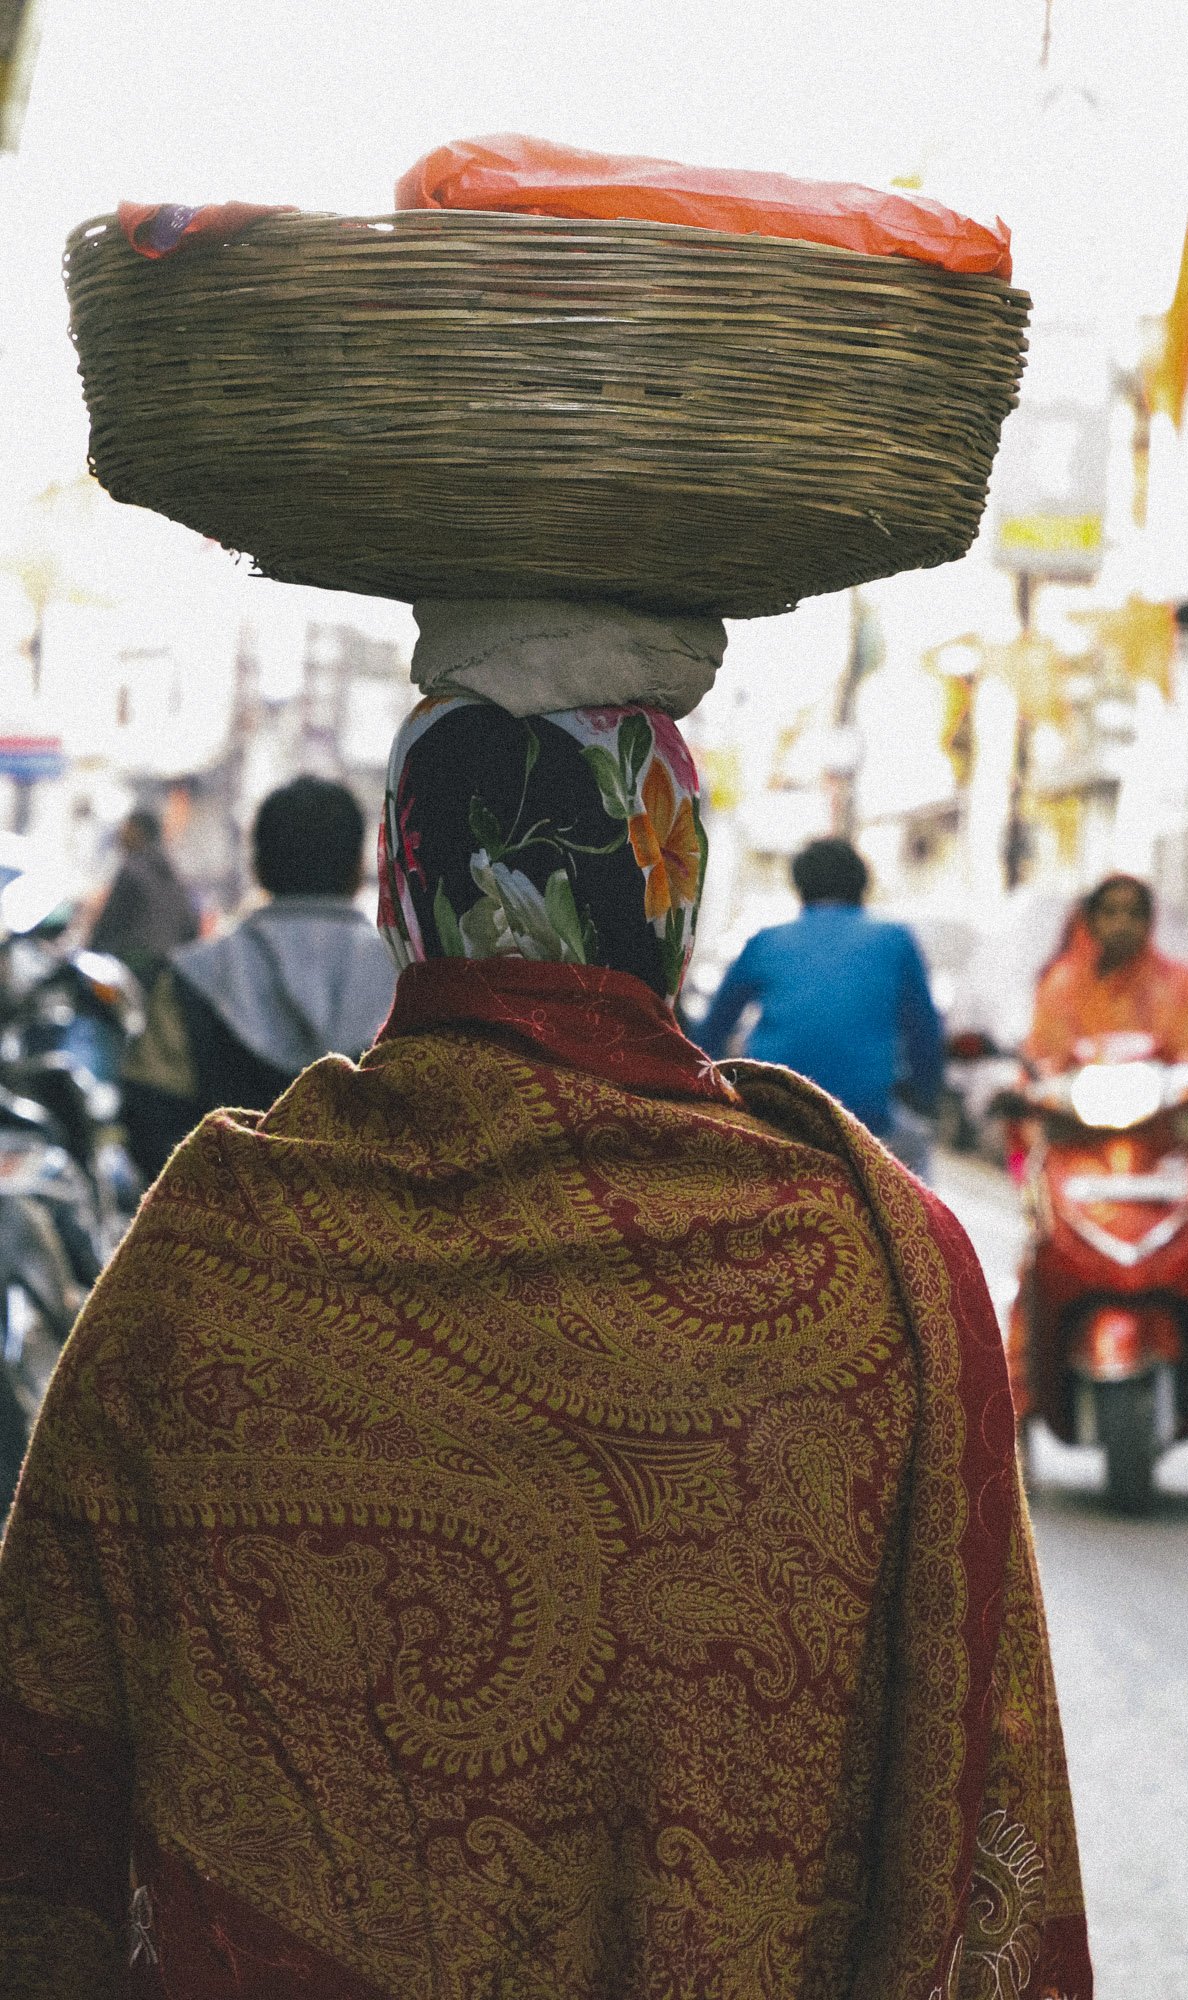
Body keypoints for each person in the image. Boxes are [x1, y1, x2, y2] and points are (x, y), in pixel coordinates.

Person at [0, 696, 1091, 2000]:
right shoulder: (861, 1268)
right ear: (670, 895)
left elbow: (52, 1748)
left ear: (405, 893)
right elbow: (962, 1788)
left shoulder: (211, 1255)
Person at [120, 776, 397, 1179]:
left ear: (258, 867)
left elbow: (151, 1119)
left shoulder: (192, 977)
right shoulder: (411, 980)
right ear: (360, 867)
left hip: (219, 1233)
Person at [696, 836, 943, 1176]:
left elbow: (712, 1030)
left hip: (774, 1107)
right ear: (862, 885)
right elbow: (924, 1035)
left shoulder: (766, 941)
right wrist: (926, 1096)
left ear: (799, 886)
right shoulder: (896, 940)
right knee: (919, 1169)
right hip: (866, 1116)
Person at [1026, 871, 1188, 1072]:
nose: (1122, 924)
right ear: (1092, 921)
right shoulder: (1062, 983)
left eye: (1134, 913)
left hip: (1167, 1101)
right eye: (1110, 912)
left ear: (1149, 921)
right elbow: (1045, 1055)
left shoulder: (1183, 982)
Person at [86, 807, 199, 984]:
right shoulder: (174, 875)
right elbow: (191, 927)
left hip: (135, 968)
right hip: (170, 971)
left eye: (126, 829)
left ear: (138, 831)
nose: (120, 836)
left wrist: (88, 955)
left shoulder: (132, 870)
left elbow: (108, 925)